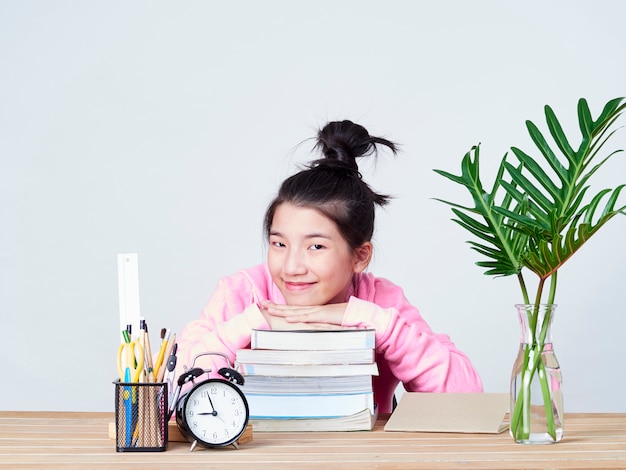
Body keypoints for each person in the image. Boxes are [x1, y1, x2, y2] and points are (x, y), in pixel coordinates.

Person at [175, 120, 483, 414]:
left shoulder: (380, 301)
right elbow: (169, 393)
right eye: (279, 244)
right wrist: (253, 323)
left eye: (316, 247)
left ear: (360, 257)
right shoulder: (240, 293)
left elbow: (467, 402)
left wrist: (376, 324)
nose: (292, 267)